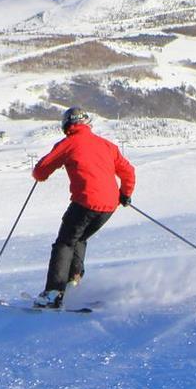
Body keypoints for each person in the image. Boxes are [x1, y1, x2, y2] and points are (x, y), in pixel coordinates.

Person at [30, 108, 135, 309]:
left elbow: (41, 171)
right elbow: (128, 171)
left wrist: (39, 174)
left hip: (85, 201)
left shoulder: (69, 143)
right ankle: (73, 283)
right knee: (79, 238)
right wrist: (126, 194)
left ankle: (53, 293)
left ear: (66, 125)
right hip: (109, 206)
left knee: (64, 244)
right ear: (87, 124)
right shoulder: (107, 145)